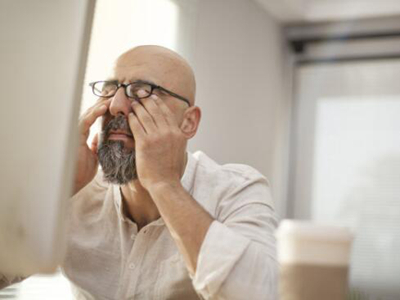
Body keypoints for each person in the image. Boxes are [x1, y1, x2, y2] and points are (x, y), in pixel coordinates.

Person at [0, 45, 278, 299]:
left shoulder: (236, 190)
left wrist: (164, 184)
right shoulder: (77, 189)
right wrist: (57, 192)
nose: (115, 105)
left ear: (189, 122)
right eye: (110, 90)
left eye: (143, 91)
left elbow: (260, 295)